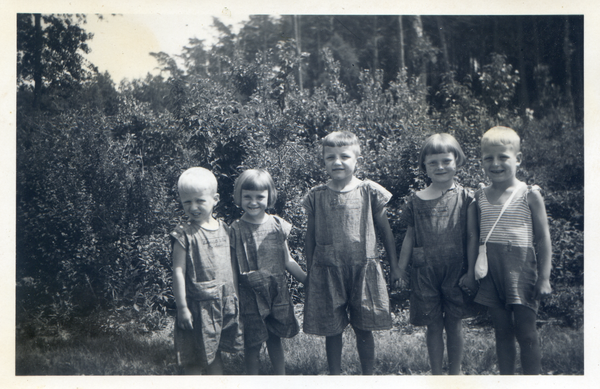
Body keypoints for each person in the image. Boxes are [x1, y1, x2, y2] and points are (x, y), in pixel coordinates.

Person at [302, 131, 398, 375]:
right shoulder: (316, 196)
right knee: (332, 330)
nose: (337, 162)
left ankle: (368, 377)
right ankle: (335, 376)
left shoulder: (369, 191)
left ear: (357, 159)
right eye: (330, 157)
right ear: (323, 160)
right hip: (327, 269)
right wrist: (311, 269)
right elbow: (310, 237)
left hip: (362, 269)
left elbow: (386, 233)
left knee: (363, 328)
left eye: (344, 156)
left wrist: (395, 267)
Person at [460, 126, 552, 375]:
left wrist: (544, 278)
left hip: (521, 271)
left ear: (518, 159)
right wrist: (470, 272)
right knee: (502, 333)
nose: (496, 163)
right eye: (488, 158)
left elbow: (543, 239)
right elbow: (474, 237)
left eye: (503, 157)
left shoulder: (529, 194)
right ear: (481, 161)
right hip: (492, 272)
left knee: (527, 333)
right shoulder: (479, 196)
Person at [395, 133, 476, 375]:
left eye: (446, 161)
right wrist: (400, 268)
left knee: (454, 324)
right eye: (433, 163)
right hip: (425, 273)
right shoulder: (415, 200)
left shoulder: (467, 197)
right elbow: (409, 237)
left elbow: (473, 237)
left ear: (457, 162)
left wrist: (471, 271)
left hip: (456, 271)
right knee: (433, 326)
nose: (440, 167)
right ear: (424, 167)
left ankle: (455, 373)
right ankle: (437, 375)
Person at [230, 169, 307, 375]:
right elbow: (232, 268)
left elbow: (287, 260)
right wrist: (233, 297)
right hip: (250, 295)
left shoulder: (276, 224)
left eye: (259, 197)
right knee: (253, 343)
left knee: (275, 338)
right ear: (239, 196)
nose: (253, 202)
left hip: (276, 292)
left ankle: (280, 379)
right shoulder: (235, 229)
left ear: (269, 196)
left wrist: (307, 281)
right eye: (247, 196)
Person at [170, 167, 243, 375]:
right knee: (194, 359)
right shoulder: (184, 234)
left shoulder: (226, 230)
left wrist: (235, 296)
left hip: (223, 303)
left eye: (199, 200)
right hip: (198, 307)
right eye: (187, 202)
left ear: (215, 199)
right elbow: (178, 272)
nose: (193, 207)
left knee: (215, 354)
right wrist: (182, 307)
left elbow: (232, 267)